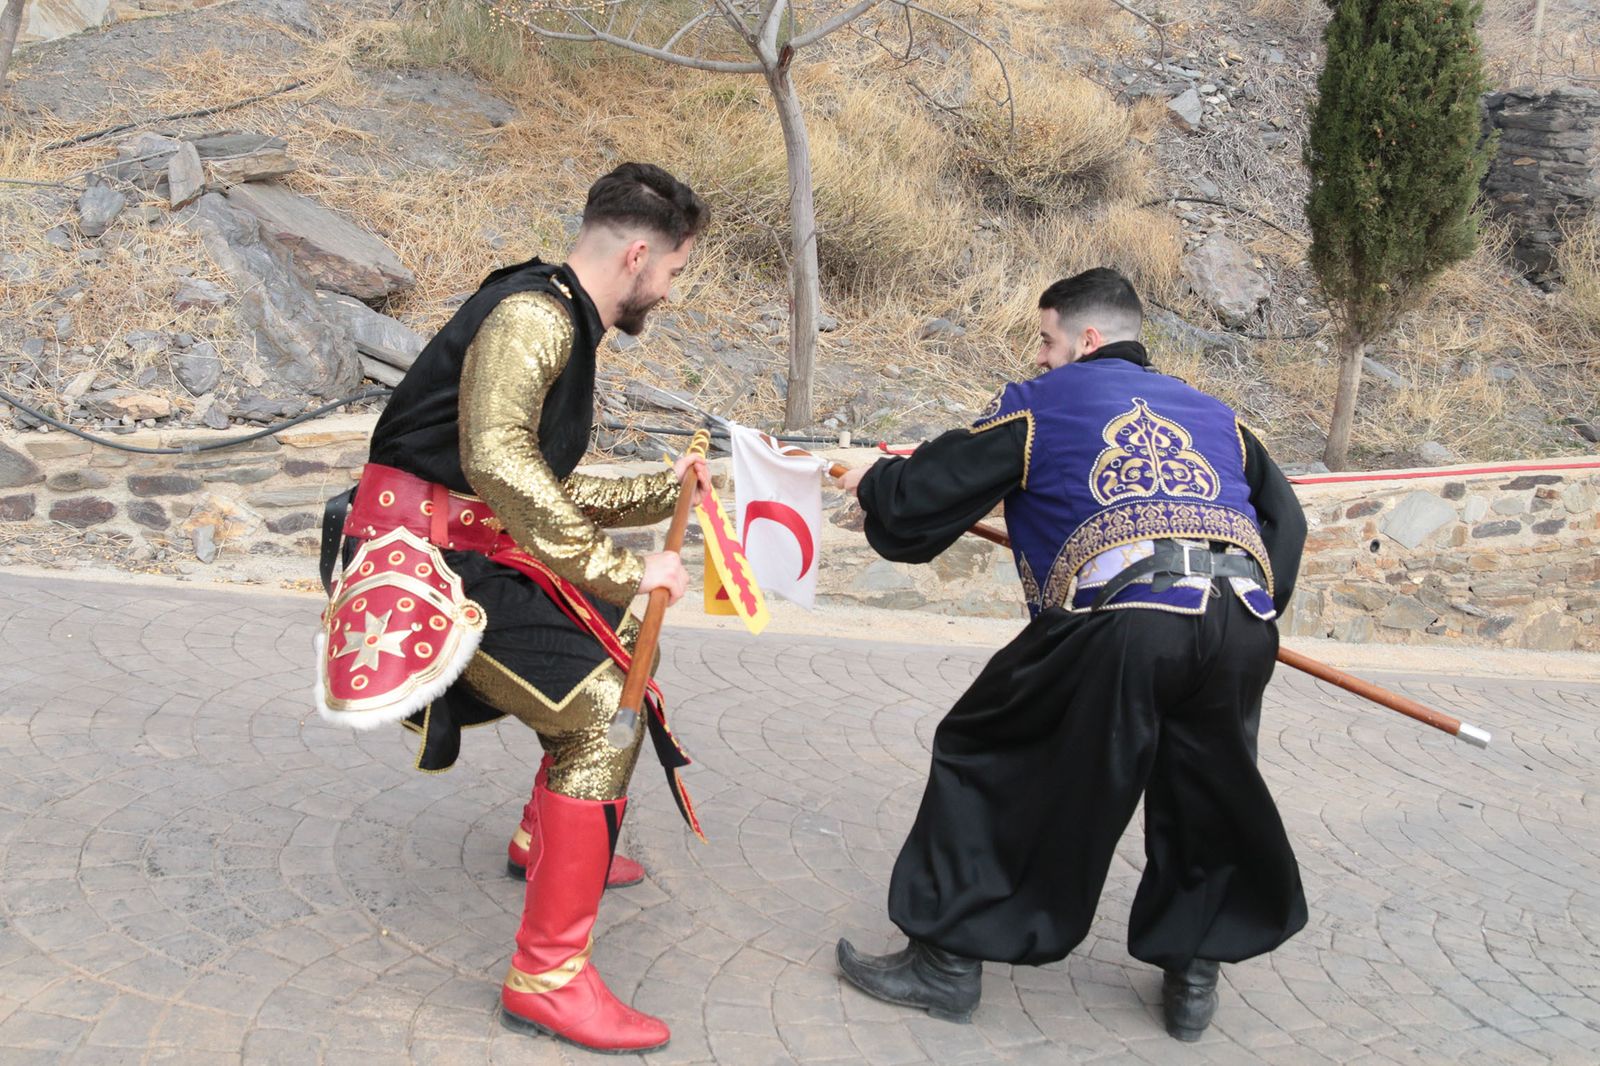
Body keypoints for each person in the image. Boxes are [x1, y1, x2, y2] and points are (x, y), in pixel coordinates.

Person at [832, 268, 1309, 1042]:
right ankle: (1193, 975)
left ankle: (946, 965)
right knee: (1205, 784)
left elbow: (937, 482)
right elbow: (1284, 522)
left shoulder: (1039, 404)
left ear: (1086, 339)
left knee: (989, 748)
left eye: (1047, 340)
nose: (1042, 356)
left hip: (1126, 619)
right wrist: (1245, 611)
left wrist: (876, 482)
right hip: (1240, 621)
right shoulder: (1221, 415)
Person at [317, 163, 711, 1054]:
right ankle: (549, 979)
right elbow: (498, 465)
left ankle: (548, 840)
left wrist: (664, 485)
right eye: (674, 273)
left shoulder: (558, 312)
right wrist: (622, 570)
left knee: (612, 659)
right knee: (601, 709)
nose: (669, 291)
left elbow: (537, 485)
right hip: (426, 557)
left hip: (468, 542)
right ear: (640, 254)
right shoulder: (536, 316)